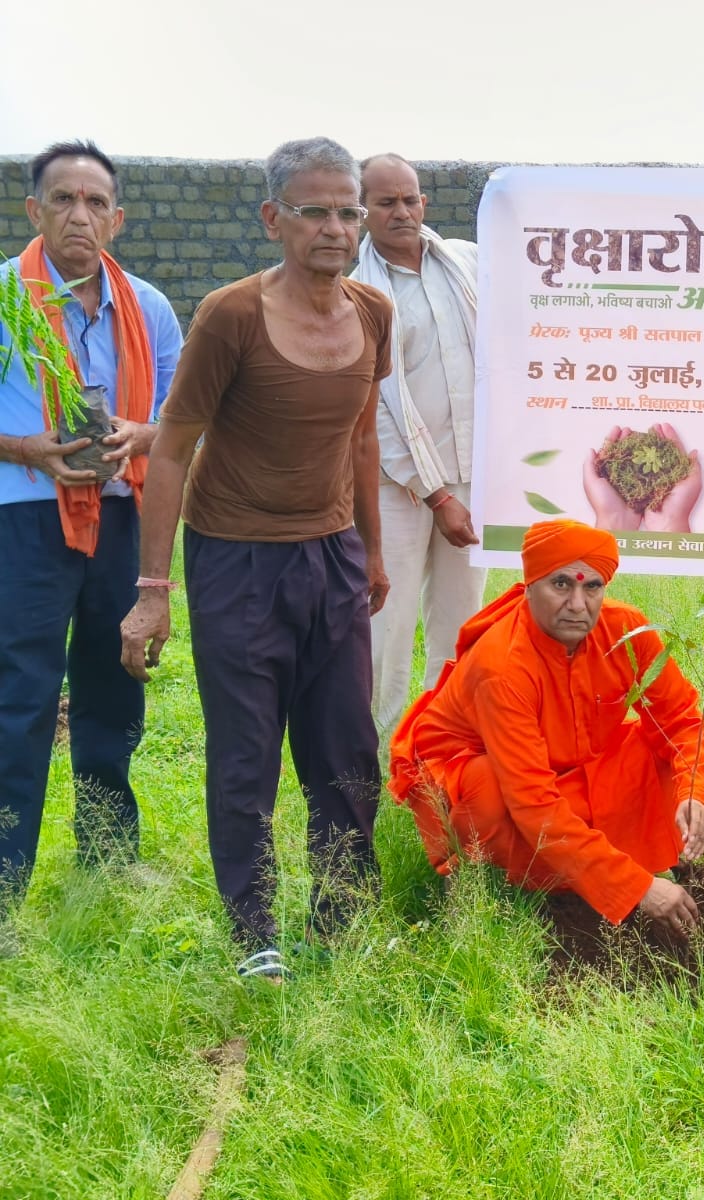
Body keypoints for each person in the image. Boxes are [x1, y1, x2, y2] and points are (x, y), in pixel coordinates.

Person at [120, 137, 392, 982]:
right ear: (274, 218)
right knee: (247, 753)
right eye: (315, 211)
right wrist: (153, 589)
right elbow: (171, 450)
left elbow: (361, 437)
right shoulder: (231, 315)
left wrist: (372, 552)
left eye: (349, 210)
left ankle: (342, 920)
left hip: (333, 557)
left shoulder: (374, 313)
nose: (336, 227)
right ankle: (255, 934)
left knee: (346, 748)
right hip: (237, 561)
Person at [0, 141, 182, 924]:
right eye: (63, 200)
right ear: (33, 210)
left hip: (121, 516)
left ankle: (109, 858)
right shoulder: (5, 296)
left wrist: (140, 436)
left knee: (114, 687)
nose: (81, 215)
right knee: (20, 697)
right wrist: (25, 448)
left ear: (118, 218)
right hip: (25, 519)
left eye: (96, 202)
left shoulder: (149, 307)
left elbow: (183, 421)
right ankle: (5, 884)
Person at [388, 519, 704, 942]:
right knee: (487, 790)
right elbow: (533, 804)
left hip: (564, 767)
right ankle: (483, 882)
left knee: (658, 751)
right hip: (488, 779)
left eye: (592, 587)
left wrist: (694, 792)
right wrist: (636, 889)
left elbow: (682, 720)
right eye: (561, 584)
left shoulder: (627, 632)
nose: (578, 604)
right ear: (528, 586)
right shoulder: (501, 667)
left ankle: (598, 872)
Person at [350, 153, 486, 733]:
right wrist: (435, 494)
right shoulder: (356, 288)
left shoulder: (467, 263)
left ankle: (441, 760)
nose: (402, 212)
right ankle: (372, 769)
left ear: (424, 202)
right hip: (396, 487)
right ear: (362, 212)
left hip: (474, 473)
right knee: (386, 625)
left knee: (462, 628)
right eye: (386, 202)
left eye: (410, 199)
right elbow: (373, 406)